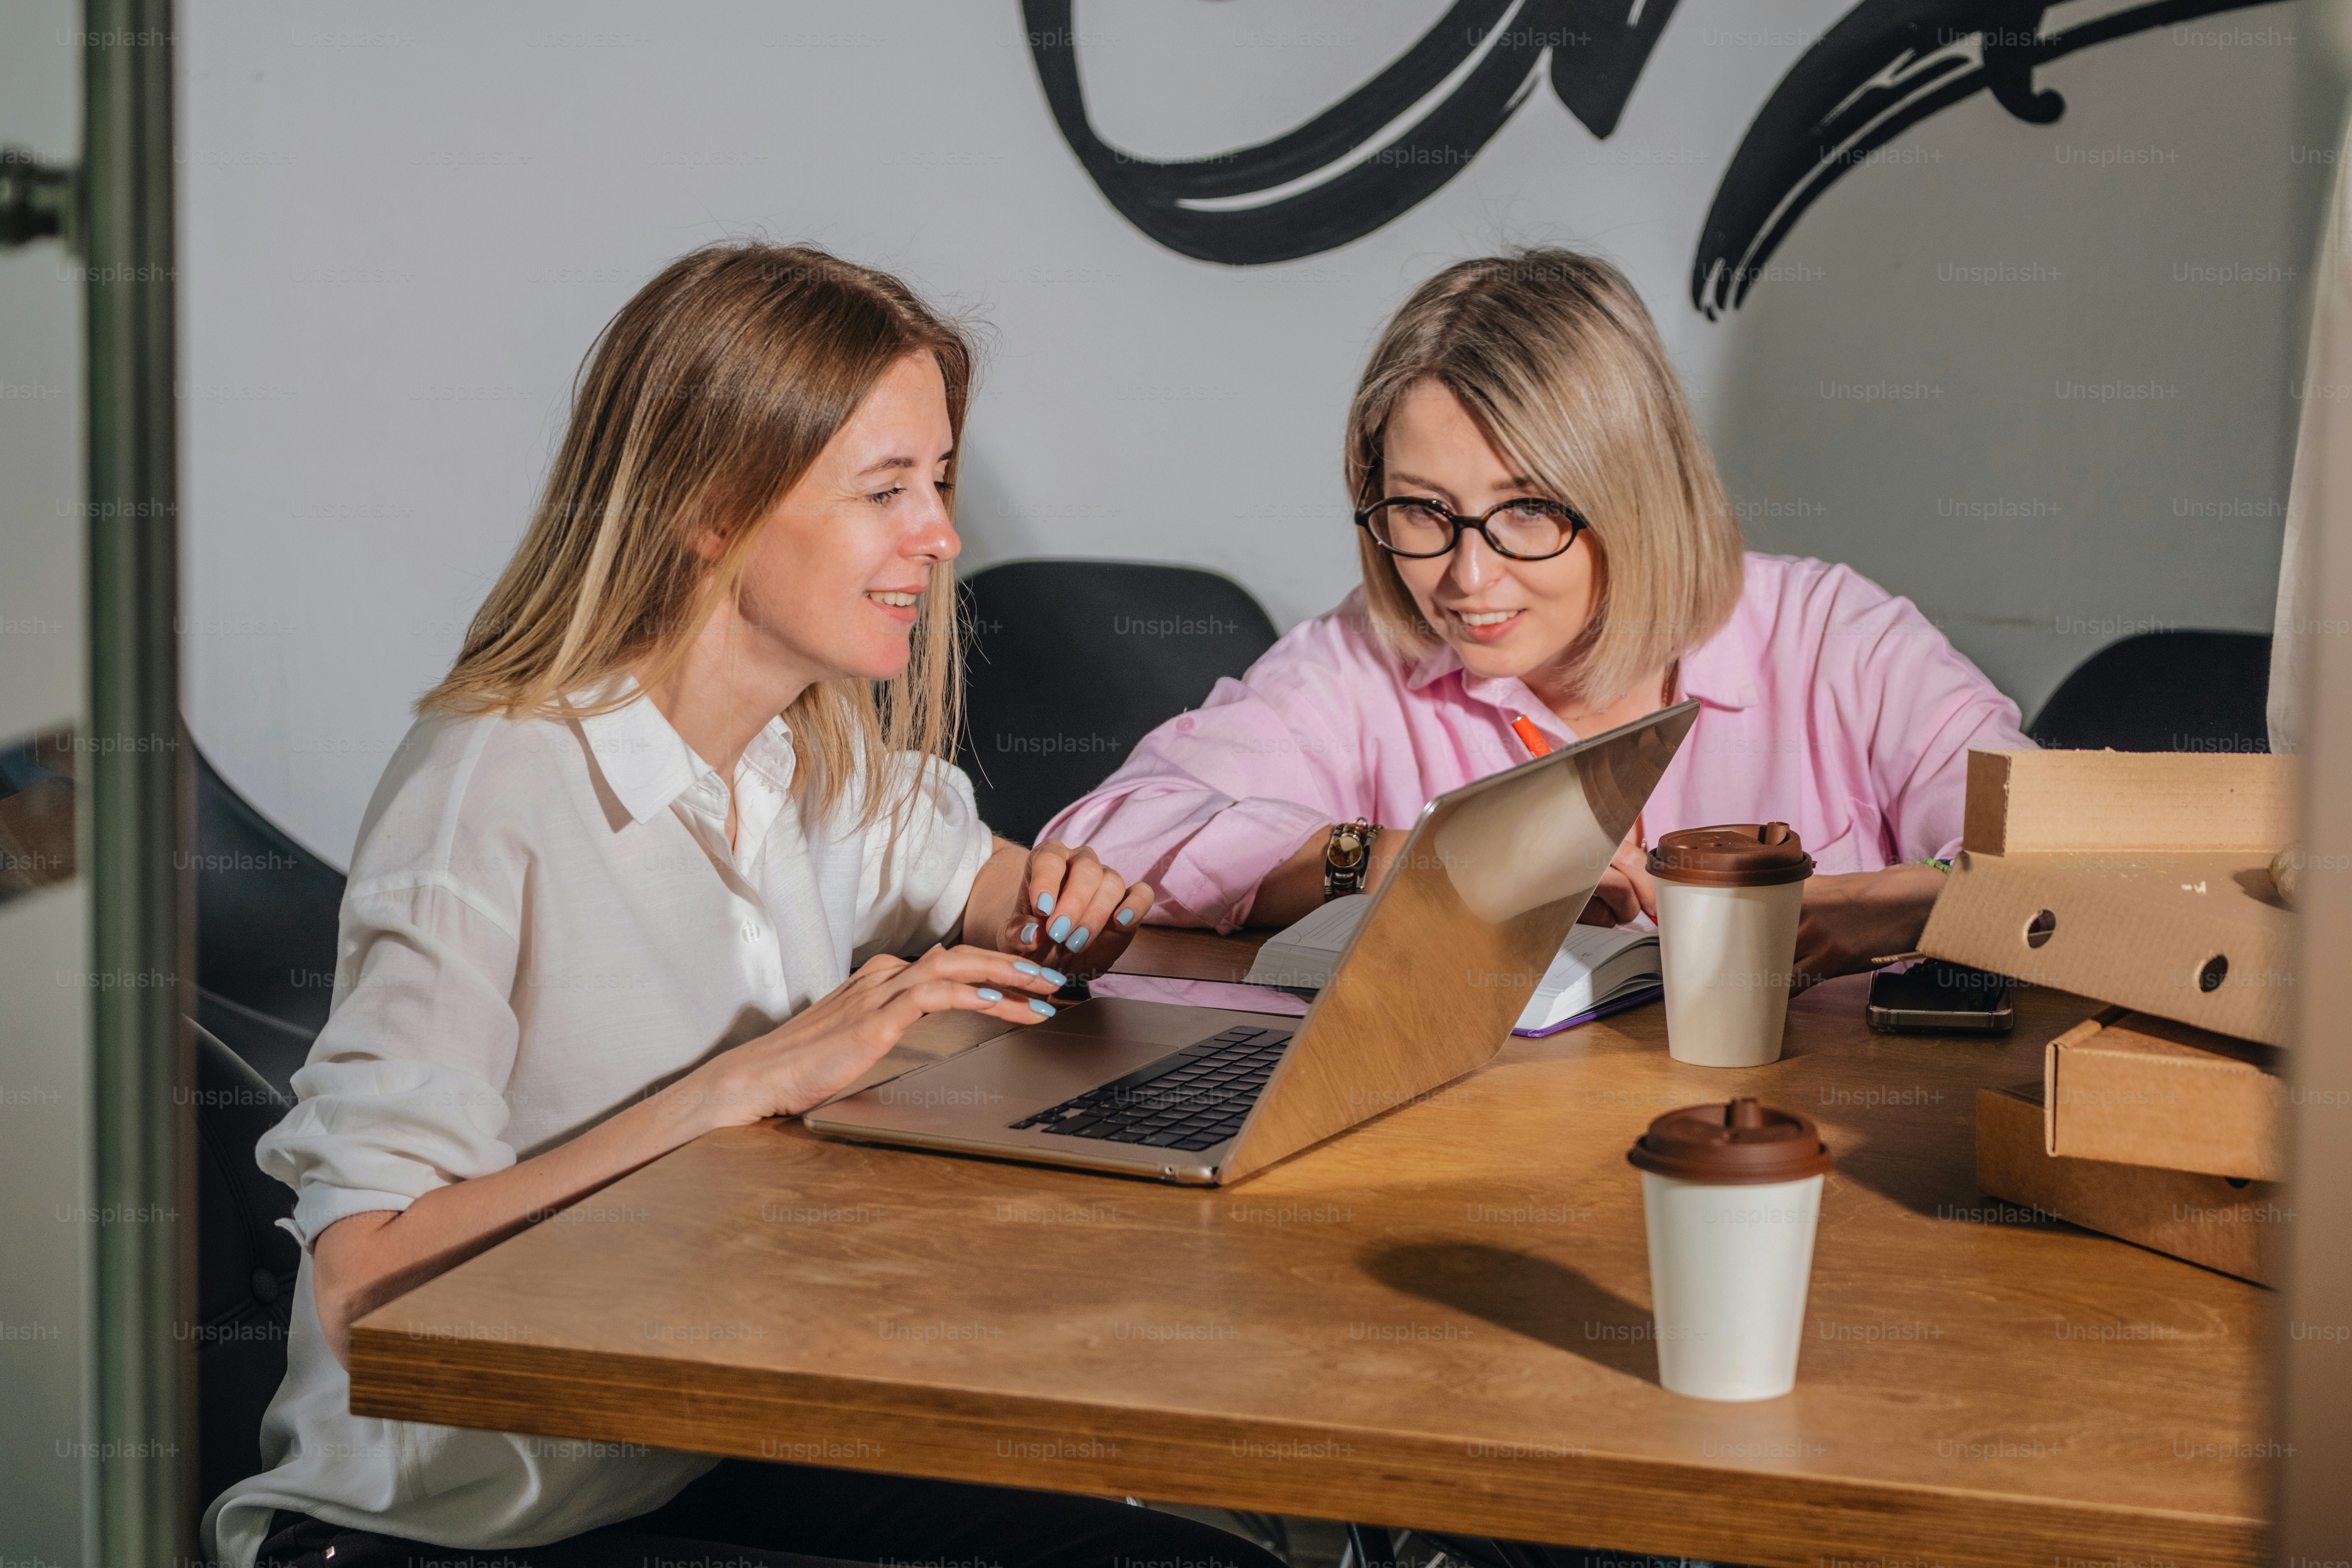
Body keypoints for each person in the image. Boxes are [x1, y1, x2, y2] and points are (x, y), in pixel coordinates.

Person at [204, 243, 1278, 1568]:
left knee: (1192, 1557)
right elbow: (365, 1282)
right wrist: (728, 1093)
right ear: (711, 505)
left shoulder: (808, 752)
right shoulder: (490, 788)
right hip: (462, 1526)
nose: (940, 537)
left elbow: (1016, 897)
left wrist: (1072, 907)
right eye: (887, 490)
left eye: (936, 483)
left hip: (691, 1453)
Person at [1045, 248, 2033, 980]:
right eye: (1422, 510)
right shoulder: (1365, 660)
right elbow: (1107, 841)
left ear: (1634, 490)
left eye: (1526, 510)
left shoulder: (1832, 640)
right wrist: (1409, 856)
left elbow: (2071, 863)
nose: (1466, 577)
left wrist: (1893, 904)